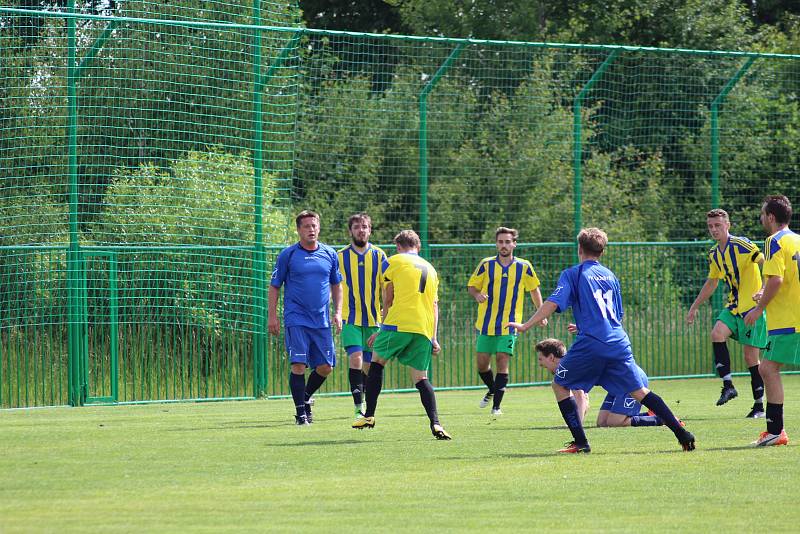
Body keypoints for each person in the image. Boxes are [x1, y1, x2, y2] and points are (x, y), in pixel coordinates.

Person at [508, 228, 695, 453]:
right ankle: (682, 433)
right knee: (639, 393)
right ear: (602, 251)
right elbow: (616, 315)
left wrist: (526, 325)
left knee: (559, 384)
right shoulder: (610, 276)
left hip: (592, 343)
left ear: (579, 248)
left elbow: (553, 302)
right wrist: (586, 324)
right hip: (618, 342)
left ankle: (581, 442)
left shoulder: (573, 274)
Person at [352, 230, 451, 440]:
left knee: (376, 363)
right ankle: (436, 424)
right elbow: (434, 306)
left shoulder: (393, 261)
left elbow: (389, 298)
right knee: (421, 378)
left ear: (398, 246)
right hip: (423, 328)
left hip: (398, 324)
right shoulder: (431, 269)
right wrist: (433, 337)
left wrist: (381, 328)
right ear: (418, 246)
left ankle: (369, 416)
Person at [686, 208, 767, 418]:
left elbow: (765, 262)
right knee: (716, 334)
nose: (714, 230)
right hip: (733, 307)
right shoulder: (714, 253)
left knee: (751, 357)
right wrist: (694, 306)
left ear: (727, 225)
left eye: (718, 225)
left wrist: (764, 289)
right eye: (711, 226)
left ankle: (759, 405)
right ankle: (728, 386)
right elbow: (712, 282)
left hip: (752, 307)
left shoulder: (742, 244)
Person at [269, 210, 343, 426]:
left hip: (321, 320)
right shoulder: (288, 255)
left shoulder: (330, 254)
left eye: (314, 225)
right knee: (299, 364)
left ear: (319, 228)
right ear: (299, 230)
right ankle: (301, 414)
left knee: (326, 367)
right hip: (296, 318)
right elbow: (274, 287)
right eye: (306, 226)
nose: (311, 229)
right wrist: (272, 316)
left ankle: (305, 397)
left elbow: (337, 285)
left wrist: (338, 312)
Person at [468, 227, 545, 416]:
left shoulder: (524, 266)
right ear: (496, 244)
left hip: (510, 324)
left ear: (514, 244)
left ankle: (497, 407)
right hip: (486, 324)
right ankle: (493, 389)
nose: (504, 245)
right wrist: (477, 294)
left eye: (507, 242)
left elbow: (534, 290)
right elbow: (471, 286)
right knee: (482, 364)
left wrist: (541, 313)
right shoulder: (486, 265)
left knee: (502, 360)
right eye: (501, 242)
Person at [744, 195, 799, 447]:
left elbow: (776, 280)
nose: (761, 218)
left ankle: (776, 431)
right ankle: (776, 431)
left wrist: (759, 308)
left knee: (767, 368)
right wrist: (763, 294)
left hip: (788, 320)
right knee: (768, 368)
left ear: (771, 217)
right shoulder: (797, 240)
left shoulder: (772, 241)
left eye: (762, 213)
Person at [536, 337, 680, 428]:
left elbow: (580, 398)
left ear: (551, 357)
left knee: (615, 422)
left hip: (628, 381)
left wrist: (576, 426)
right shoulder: (568, 366)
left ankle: (663, 419)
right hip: (616, 386)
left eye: (541, 359)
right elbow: (583, 398)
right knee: (603, 423)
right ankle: (649, 414)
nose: (540, 364)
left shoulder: (569, 368)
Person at [338, 213, 387, 419]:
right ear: (350, 231)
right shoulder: (340, 256)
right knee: (356, 359)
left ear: (370, 230)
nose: (361, 230)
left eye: (365, 226)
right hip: (350, 319)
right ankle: (358, 407)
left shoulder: (380, 256)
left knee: (370, 366)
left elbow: (387, 289)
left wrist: (386, 317)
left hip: (374, 320)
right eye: (357, 227)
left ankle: (366, 400)